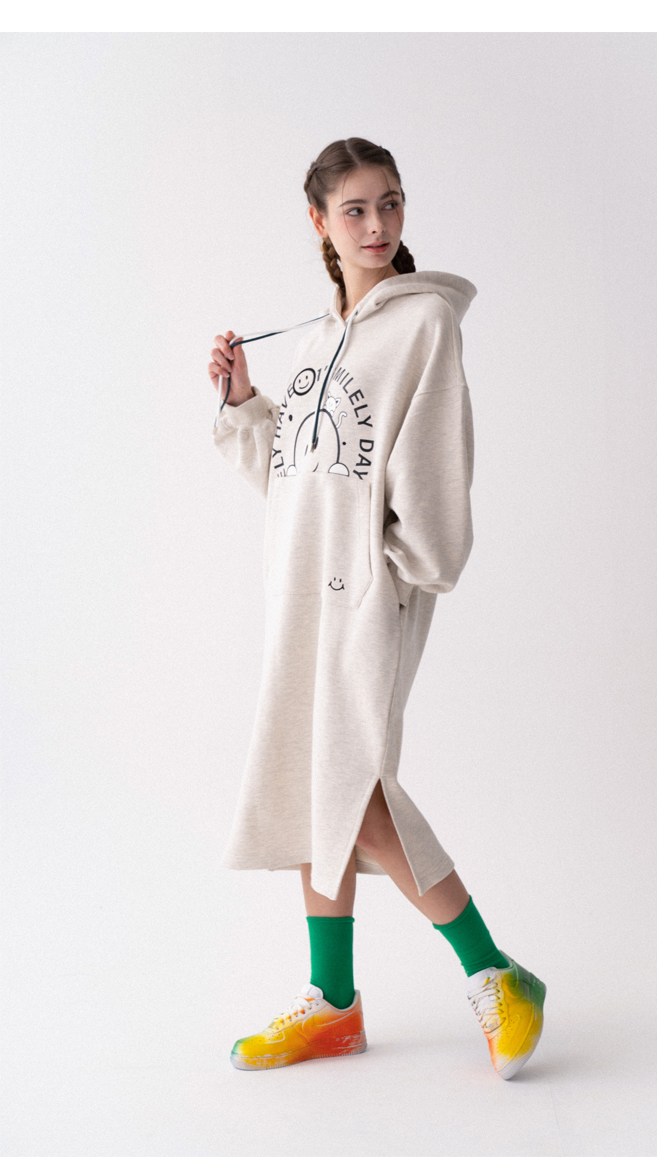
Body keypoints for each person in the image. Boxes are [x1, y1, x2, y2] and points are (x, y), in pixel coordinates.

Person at [208, 138, 545, 1080]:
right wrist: (244, 403)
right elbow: (300, 483)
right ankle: (334, 1004)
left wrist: (393, 570)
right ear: (318, 221)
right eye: (355, 209)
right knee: (312, 780)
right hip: (297, 593)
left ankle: (495, 970)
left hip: (366, 597)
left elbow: (435, 478)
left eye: (390, 203)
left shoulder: (425, 323)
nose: (377, 224)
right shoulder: (316, 341)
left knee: (354, 789)